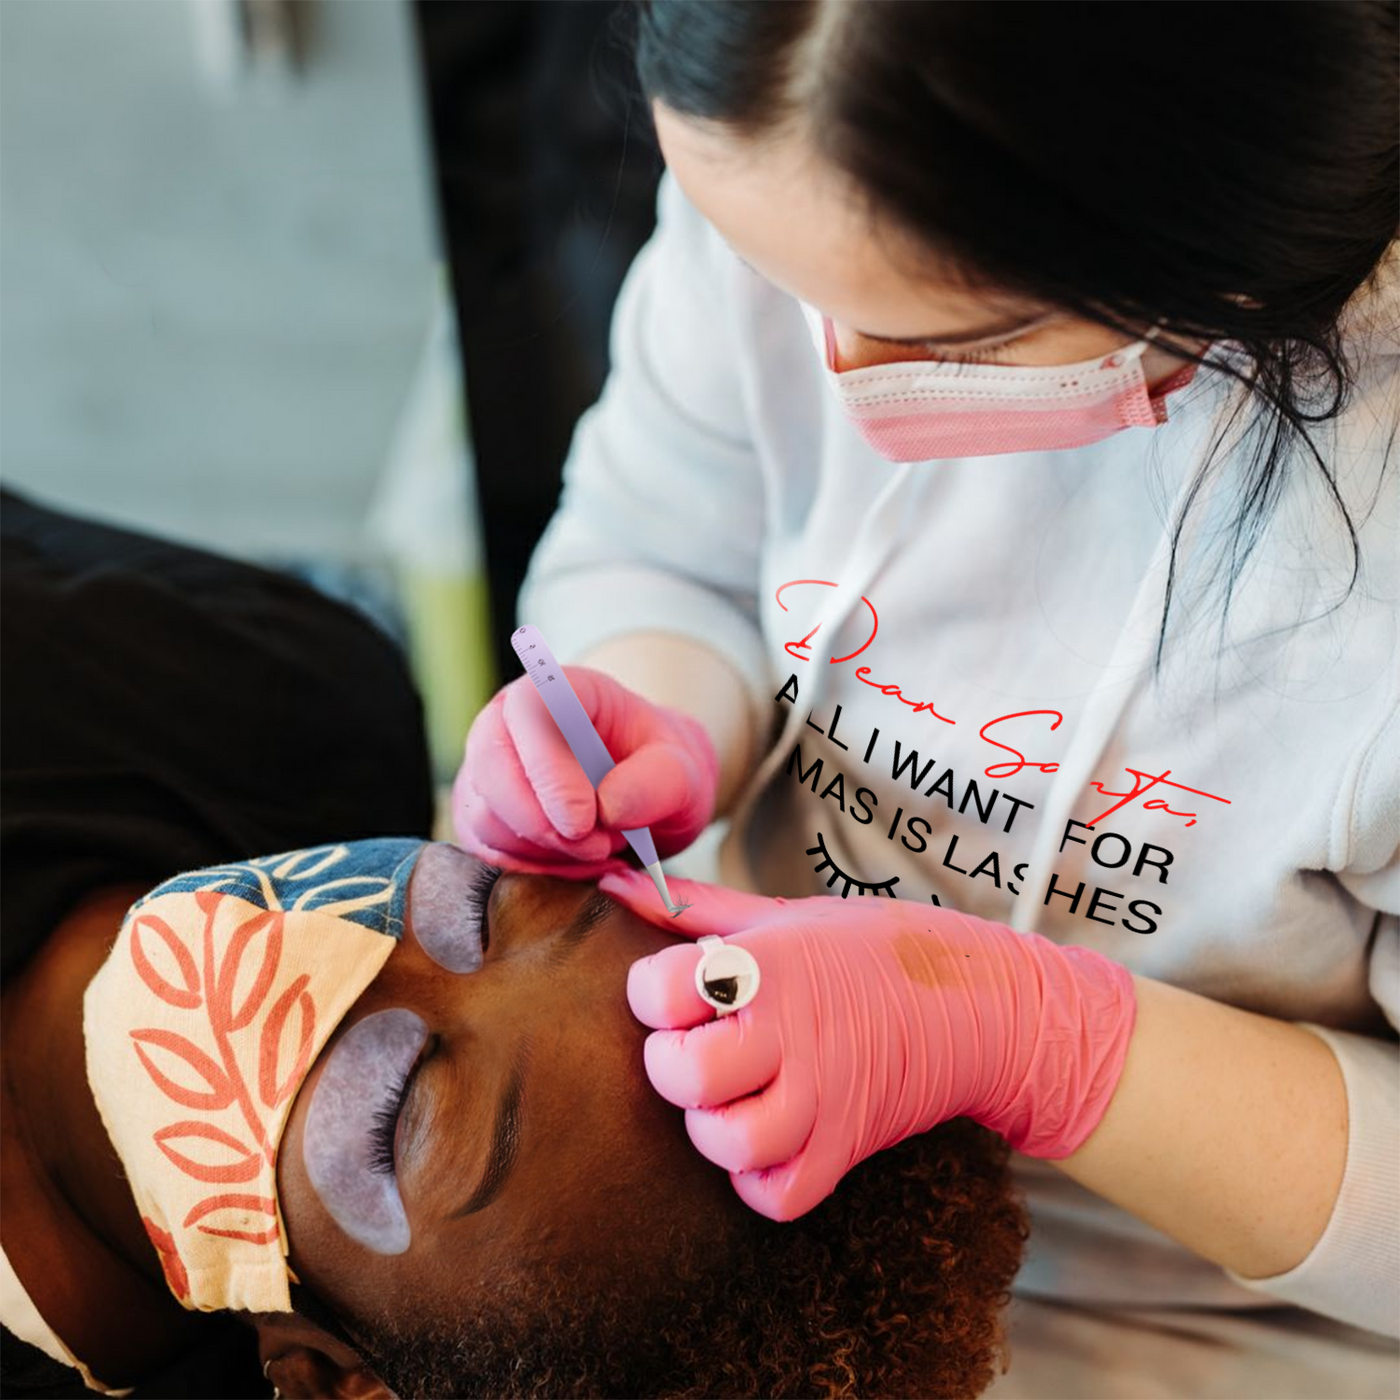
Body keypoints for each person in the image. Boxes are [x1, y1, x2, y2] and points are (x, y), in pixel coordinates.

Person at [451, 3, 1400, 1395]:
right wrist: (645, 700)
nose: (831, 367)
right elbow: (657, 536)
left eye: (956, 333)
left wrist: (1043, 1046)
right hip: (765, 1208)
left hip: (1216, 1321)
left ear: (1225, 229)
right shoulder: (794, 176)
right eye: (777, 282)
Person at [0, 494, 1027, 1399]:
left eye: (402, 1112)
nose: (341, 935)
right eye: (497, 903)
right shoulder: (284, 697)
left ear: (327, 1373)